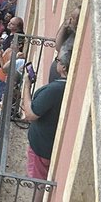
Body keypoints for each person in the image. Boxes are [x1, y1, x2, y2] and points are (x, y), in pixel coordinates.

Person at [20, 44, 69, 181]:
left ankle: (38, 196)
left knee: (37, 182)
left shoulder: (54, 90)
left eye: (58, 60)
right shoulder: (60, 87)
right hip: (45, 144)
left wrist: (26, 86)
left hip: (41, 148)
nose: (56, 62)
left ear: (64, 67)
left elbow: (30, 114)